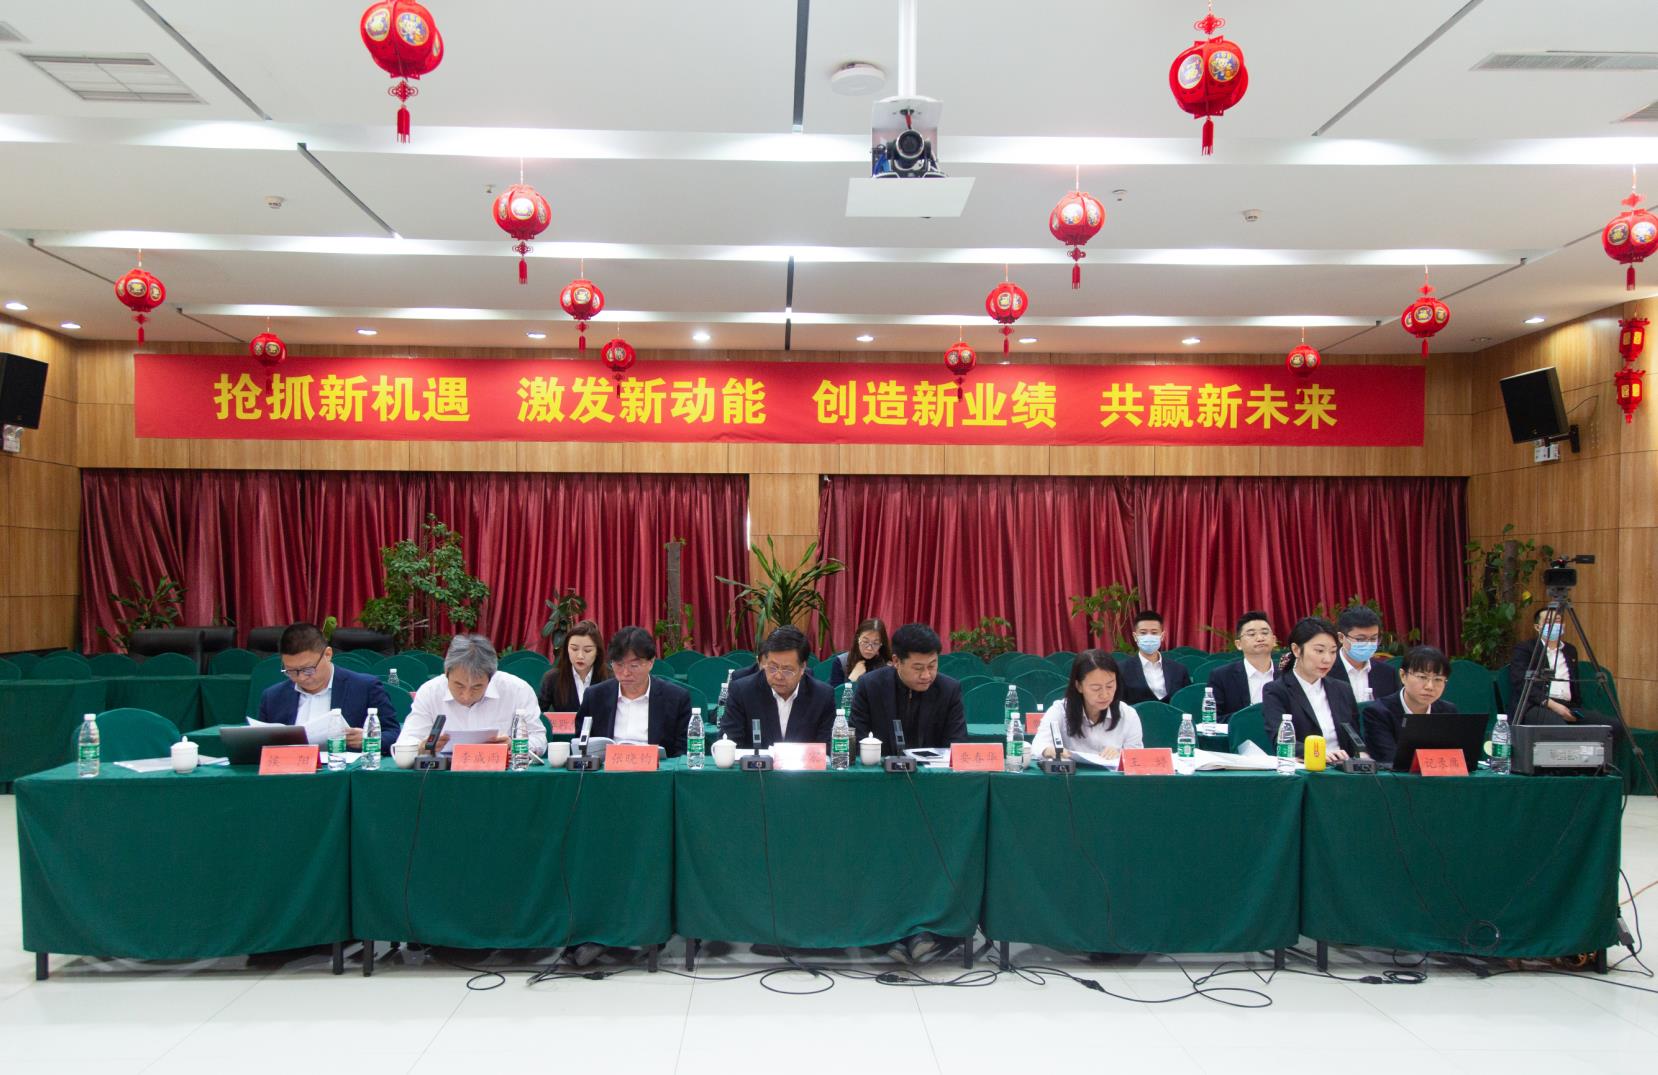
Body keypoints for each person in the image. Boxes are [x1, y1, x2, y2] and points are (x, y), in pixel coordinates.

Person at [394, 634, 545, 756]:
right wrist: (421, 747)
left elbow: (539, 740)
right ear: (446, 672)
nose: (466, 696)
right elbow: (404, 743)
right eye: (459, 685)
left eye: (477, 687)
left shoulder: (517, 690)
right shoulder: (430, 692)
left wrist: (514, 745)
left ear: (491, 677)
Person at [257, 622, 399, 752]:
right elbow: (260, 745)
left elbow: (394, 735)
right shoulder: (272, 697)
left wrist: (370, 740)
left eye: (308, 669)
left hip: (343, 769)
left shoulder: (365, 687)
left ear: (327, 654)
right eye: (291, 671)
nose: (301, 677)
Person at [850, 622, 967, 757]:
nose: (926, 675)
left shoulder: (949, 690)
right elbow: (857, 742)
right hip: (881, 768)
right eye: (918, 668)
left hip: (933, 769)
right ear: (896, 661)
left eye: (931, 666)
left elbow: (956, 746)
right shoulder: (871, 686)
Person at [574, 626, 691, 756]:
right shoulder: (595, 697)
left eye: (634, 666)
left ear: (651, 662)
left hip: (656, 768)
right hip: (608, 767)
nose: (625, 673)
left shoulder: (676, 698)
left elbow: (682, 753)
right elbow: (581, 747)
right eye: (619, 665)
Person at [1261, 616, 1358, 764]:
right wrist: (1316, 753)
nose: (1327, 659)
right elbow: (1280, 740)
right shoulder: (1276, 691)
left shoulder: (1342, 689)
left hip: (1343, 768)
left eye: (1333, 652)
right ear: (1296, 650)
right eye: (1319, 651)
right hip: (1305, 767)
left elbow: (1355, 737)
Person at [721, 626, 835, 748]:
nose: (778, 676)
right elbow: (729, 744)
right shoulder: (742, 692)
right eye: (772, 667)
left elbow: (825, 749)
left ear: (802, 667)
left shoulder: (822, 696)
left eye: (787, 670)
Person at [1031, 650, 1144, 760]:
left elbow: (1137, 758)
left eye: (1110, 686)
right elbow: (1038, 745)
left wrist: (1121, 755)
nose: (1105, 695)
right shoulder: (1060, 710)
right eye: (1096, 688)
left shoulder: (1128, 715)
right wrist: (1050, 750)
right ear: (1079, 686)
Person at [1361, 645, 1459, 768]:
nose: (1430, 686)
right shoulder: (1378, 713)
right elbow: (1390, 760)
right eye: (1422, 677)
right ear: (1403, 676)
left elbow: (1454, 758)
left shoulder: (1448, 711)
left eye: (1438, 679)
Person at [1508, 605, 1585, 725]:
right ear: (1537, 627)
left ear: (1563, 625)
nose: (1554, 625)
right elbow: (1520, 682)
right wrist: (1553, 705)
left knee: (1612, 725)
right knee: (1560, 727)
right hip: (1537, 705)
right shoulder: (1525, 649)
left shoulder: (1570, 650)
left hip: (1568, 706)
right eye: (1548, 622)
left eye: (1558, 621)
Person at [1325, 605, 1401, 705]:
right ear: (1341, 637)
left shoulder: (1388, 673)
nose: (1368, 644)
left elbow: (1395, 710)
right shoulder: (1325, 672)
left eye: (1373, 639)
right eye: (1360, 639)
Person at [1206, 610, 1278, 717]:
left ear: (1274, 640)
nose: (1260, 638)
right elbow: (1214, 719)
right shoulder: (1221, 676)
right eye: (1251, 634)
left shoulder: (1288, 674)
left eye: (1265, 633)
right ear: (1238, 644)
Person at [1113, 610, 1191, 706]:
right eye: (1143, 633)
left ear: (1162, 636)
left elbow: (1186, 702)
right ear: (1135, 636)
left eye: (1154, 633)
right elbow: (1118, 705)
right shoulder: (1121, 669)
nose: (1149, 637)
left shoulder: (1179, 670)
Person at [538, 619, 610, 712]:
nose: (580, 656)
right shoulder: (552, 678)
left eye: (587, 650)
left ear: (597, 652)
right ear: (567, 649)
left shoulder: (610, 678)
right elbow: (537, 714)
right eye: (574, 649)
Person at [830, 617, 891, 687]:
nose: (869, 648)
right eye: (865, 642)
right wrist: (852, 679)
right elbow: (836, 693)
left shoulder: (887, 667)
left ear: (881, 644)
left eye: (875, 643)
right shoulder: (841, 662)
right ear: (858, 639)